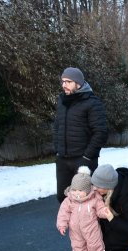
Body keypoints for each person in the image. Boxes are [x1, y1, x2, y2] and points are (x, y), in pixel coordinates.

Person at [53, 67, 108, 203]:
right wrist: (58, 151)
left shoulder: (92, 103)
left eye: (68, 81)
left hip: (83, 160)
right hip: (63, 160)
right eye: (63, 81)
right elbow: (57, 127)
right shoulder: (62, 101)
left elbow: (101, 132)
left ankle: (90, 225)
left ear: (78, 83)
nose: (64, 85)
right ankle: (71, 225)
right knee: (63, 197)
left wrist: (87, 157)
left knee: (86, 200)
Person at [56, 166, 114, 251]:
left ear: (87, 190)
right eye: (75, 189)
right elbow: (63, 213)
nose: (77, 193)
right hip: (75, 231)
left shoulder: (94, 198)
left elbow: (100, 209)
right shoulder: (69, 200)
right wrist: (62, 225)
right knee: (77, 246)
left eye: (80, 190)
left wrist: (105, 213)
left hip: (91, 228)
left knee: (95, 245)